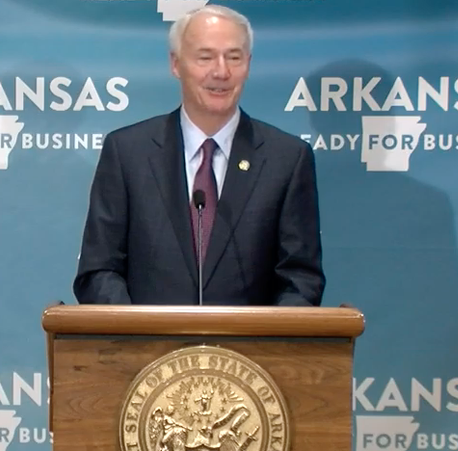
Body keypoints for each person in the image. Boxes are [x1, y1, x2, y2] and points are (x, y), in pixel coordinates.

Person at [73, 5, 325, 306]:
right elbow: (99, 270)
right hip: (147, 350)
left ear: (249, 64)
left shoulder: (287, 159)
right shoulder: (127, 152)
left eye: (234, 57)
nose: (221, 72)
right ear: (176, 64)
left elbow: (301, 279)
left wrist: (265, 344)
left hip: (249, 352)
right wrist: (137, 337)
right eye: (205, 57)